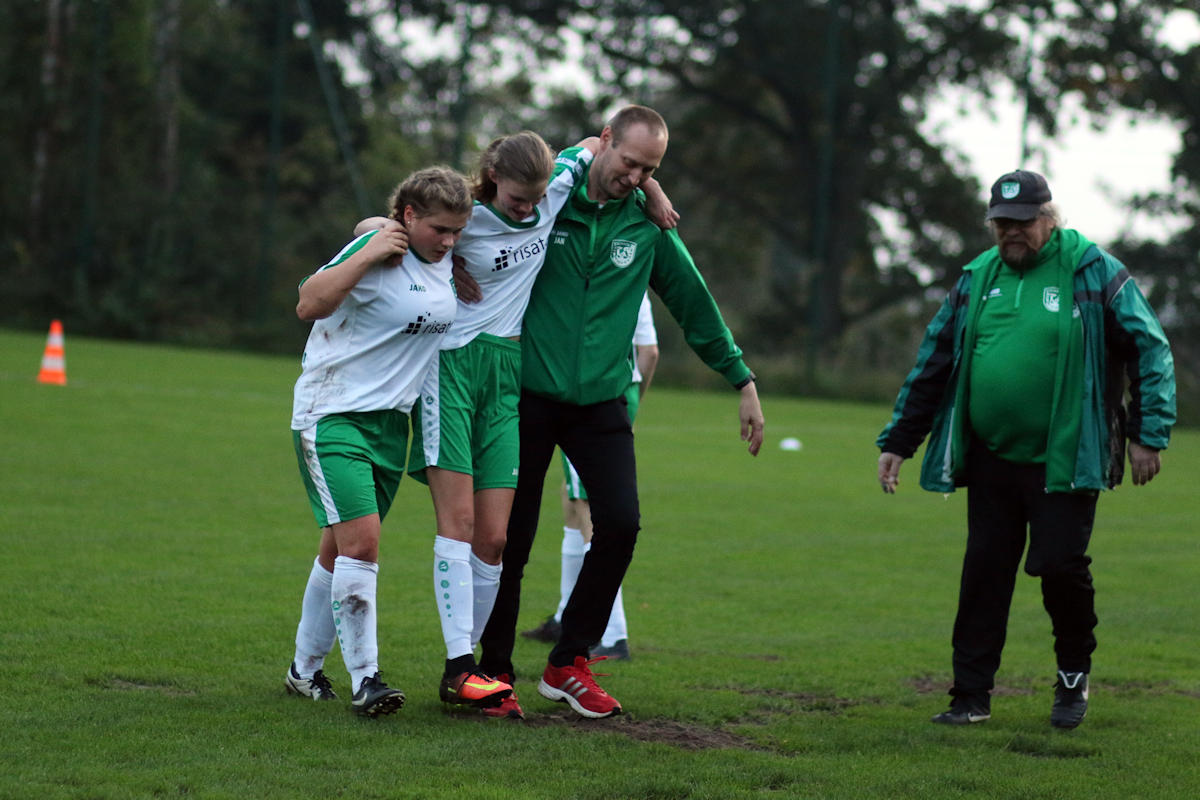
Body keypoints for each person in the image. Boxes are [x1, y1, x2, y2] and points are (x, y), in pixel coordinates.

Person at [353, 133, 678, 720]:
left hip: (509, 373)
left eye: (535, 201)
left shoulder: (556, 188)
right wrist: (389, 239)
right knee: (458, 523)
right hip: (451, 370)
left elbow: (596, 144)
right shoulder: (466, 218)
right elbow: (386, 224)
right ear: (492, 175)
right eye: (518, 199)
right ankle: (464, 671)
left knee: (498, 539)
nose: (529, 212)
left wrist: (651, 188)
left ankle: (479, 672)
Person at [468, 104, 765, 720]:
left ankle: (567, 661)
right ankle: (494, 670)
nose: (634, 176)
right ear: (604, 142)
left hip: (602, 400)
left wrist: (742, 377)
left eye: (649, 169)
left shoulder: (649, 227)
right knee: (511, 539)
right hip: (527, 395)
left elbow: (693, 301)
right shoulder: (550, 202)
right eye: (629, 162)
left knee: (622, 525)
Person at [876, 169, 1176, 729]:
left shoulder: (1092, 269)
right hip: (992, 456)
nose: (1011, 233)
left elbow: (1150, 348)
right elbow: (934, 362)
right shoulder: (976, 276)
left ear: (1049, 218)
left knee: (1060, 566)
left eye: (1022, 222)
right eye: (1001, 223)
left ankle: (1072, 678)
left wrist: (1146, 434)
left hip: (1067, 453)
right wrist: (899, 441)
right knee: (984, 571)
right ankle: (970, 696)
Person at [284, 166, 474, 717]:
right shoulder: (376, 250)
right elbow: (307, 303)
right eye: (440, 229)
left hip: (393, 426)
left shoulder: (444, 260)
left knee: (338, 547)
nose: (449, 241)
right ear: (408, 216)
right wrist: (366, 250)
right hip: (333, 415)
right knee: (362, 544)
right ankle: (367, 680)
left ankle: (303, 671)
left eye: (458, 232)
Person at [522, 292, 660, 661]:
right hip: (613, 394)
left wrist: (629, 406)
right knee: (570, 502)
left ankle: (613, 635)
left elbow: (649, 351)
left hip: (595, 397)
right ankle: (565, 617)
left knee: (589, 512)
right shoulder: (630, 271)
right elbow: (649, 353)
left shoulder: (607, 276)